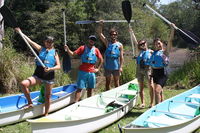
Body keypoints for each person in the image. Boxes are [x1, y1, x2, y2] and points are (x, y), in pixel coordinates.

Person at [15, 28, 61, 116]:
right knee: (23, 84)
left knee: (47, 96)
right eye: (47, 41)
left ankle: (46, 114)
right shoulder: (41, 49)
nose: (49, 43)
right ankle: (30, 103)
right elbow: (30, 42)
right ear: (44, 42)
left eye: (50, 42)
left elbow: (58, 66)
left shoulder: (55, 52)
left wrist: (50, 69)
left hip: (49, 77)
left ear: (53, 43)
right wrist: (21, 32)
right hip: (38, 75)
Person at [64, 35, 103, 102]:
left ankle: (88, 102)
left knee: (90, 88)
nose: (92, 41)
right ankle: (75, 103)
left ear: (94, 42)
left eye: (93, 40)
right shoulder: (82, 48)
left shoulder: (96, 50)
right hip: (83, 71)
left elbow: (101, 59)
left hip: (92, 72)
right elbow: (73, 54)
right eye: (91, 39)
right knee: (80, 88)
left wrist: (98, 68)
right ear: (88, 40)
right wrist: (67, 49)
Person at [149, 24, 175, 104]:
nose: (158, 45)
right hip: (155, 73)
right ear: (154, 45)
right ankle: (160, 105)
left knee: (157, 91)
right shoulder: (153, 53)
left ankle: (157, 109)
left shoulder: (165, 52)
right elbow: (152, 64)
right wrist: (151, 74)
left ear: (162, 44)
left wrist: (172, 29)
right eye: (156, 44)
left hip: (162, 73)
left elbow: (170, 40)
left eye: (159, 43)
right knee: (159, 92)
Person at [129, 27, 154, 108]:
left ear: (146, 43)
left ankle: (151, 103)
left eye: (143, 43)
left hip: (148, 69)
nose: (142, 45)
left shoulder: (150, 51)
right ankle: (143, 103)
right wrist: (132, 32)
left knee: (151, 85)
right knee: (141, 86)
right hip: (139, 69)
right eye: (141, 44)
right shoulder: (139, 51)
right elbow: (135, 41)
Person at [97, 20, 124, 91]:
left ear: (116, 35)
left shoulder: (120, 45)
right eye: (112, 34)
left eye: (115, 34)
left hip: (116, 67)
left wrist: (120, 67)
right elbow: (100, 33)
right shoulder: (107, 43)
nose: (113, 36)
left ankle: (117, 95)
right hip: (108, 67)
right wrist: (100, 25)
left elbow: (121, 57)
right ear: (110, 35)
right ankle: (107, 95)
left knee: (116, 83)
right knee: (107, 82)